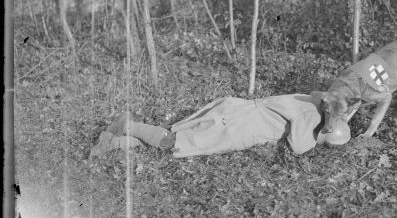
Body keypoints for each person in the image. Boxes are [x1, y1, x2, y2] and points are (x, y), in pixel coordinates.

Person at [90, 92, 351, 159]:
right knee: (175, 142)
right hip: (238, 124)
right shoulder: (313, 116)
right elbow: (297, 146)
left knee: (179, 140)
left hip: (239, 113)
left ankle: (112, 142)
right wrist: (320, 137)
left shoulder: (317, 100)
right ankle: (128, 125)